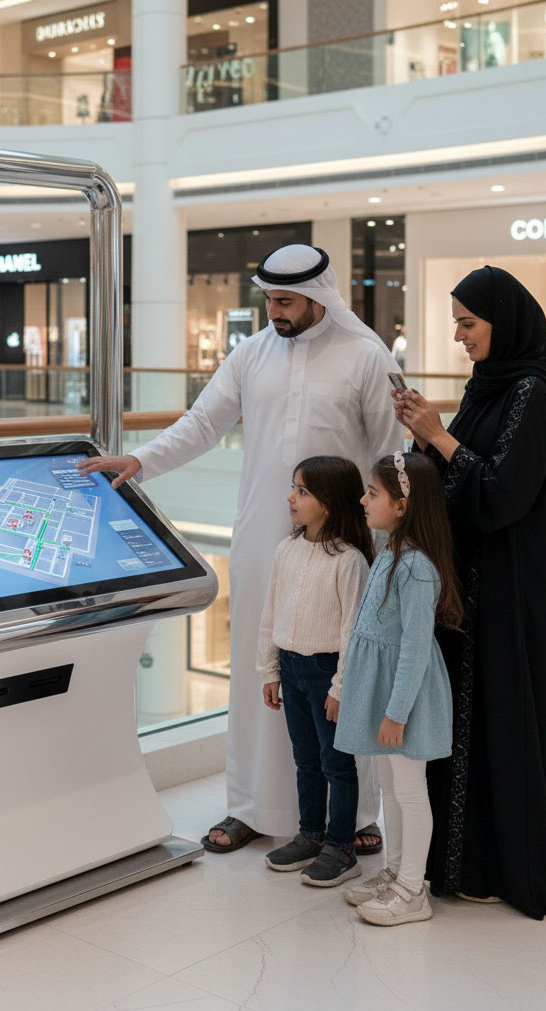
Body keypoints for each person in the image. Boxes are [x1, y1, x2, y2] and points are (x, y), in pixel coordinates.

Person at [77, 243, 402, 853]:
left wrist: (387, 545)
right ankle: (252, 805)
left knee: (343, 675)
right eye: (269, 301)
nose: (274, 312)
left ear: (318, 296)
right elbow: (202, 424)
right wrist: (142, 460)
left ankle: (354, 815)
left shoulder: (366, 357)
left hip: (345, 545)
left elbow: (388, 453)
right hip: (261, 536)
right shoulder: (251, 354)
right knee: (264, 671)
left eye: (285, 302)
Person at [394, 265, 546, 918]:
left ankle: (510, 863)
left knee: (505, 717)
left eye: (468, 323)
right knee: (469, 723)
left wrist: (439, 435)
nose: (459, 336)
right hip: (470, 588)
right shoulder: (488, 387)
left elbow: (503, 494)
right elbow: (456, 481)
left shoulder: (535, 391)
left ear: (503, 323)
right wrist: (423, 438)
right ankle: (464, 859)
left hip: (509, 589)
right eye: (456, 322)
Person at [334, 452, 462, 925]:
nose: (363, 500)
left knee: (410, 791)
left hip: (404, 700)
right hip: (384, 694)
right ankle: (394, 873)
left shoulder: (416, 568)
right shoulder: (388, 550)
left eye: (373, 493)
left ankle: (413, 889)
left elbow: (413, 650)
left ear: (403, 504)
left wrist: (396, 712)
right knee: (388, 784)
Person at [258, 456, 374, 886]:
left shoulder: (349, 561)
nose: (291, 497)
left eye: (302, 491)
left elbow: (352, 634)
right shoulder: (286, 549)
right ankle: (310, 834)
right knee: (305, 760)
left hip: (328, 674)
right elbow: (270, 612)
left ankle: (341, 847)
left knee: (337, 765)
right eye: (294, 488)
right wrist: (269, 669)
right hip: (290, 667)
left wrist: (341, 688)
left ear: (328, 503)